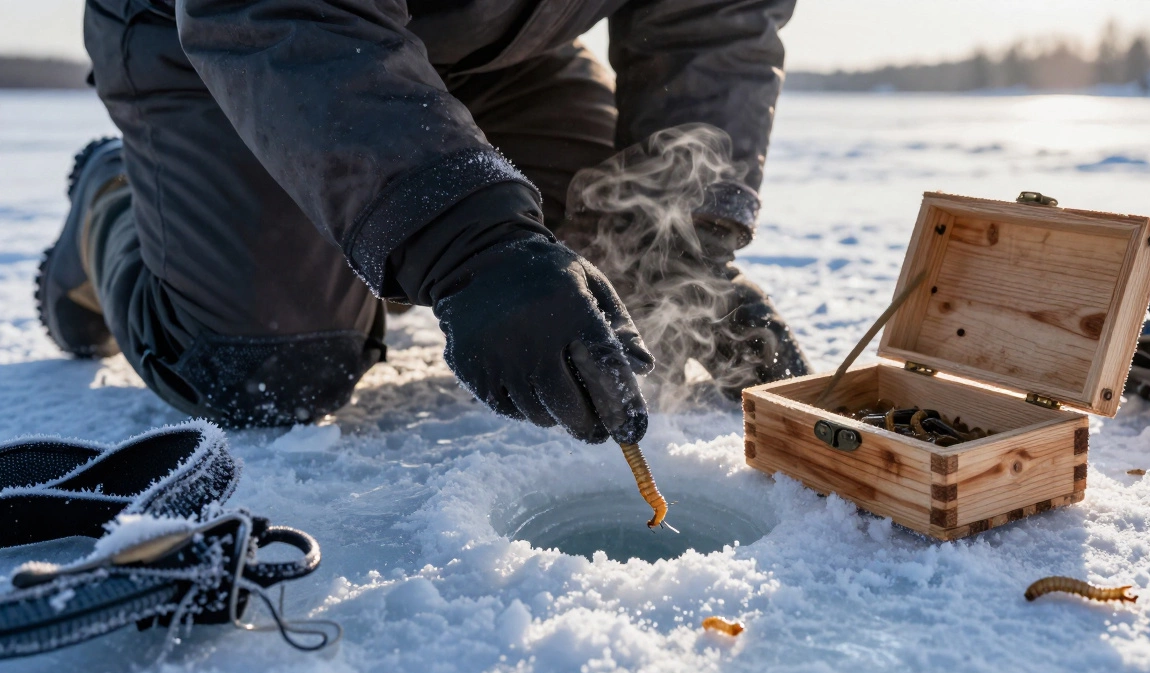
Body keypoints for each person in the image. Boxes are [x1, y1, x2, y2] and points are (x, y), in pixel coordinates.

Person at [37, 0, 810, 445]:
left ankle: (367, 210)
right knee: (270, 366)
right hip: (237, 33)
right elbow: (277, 11)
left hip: (503, 48)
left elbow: (717, 20)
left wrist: (679, 251)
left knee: (601, 276)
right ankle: (115, 205)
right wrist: (469, 246)